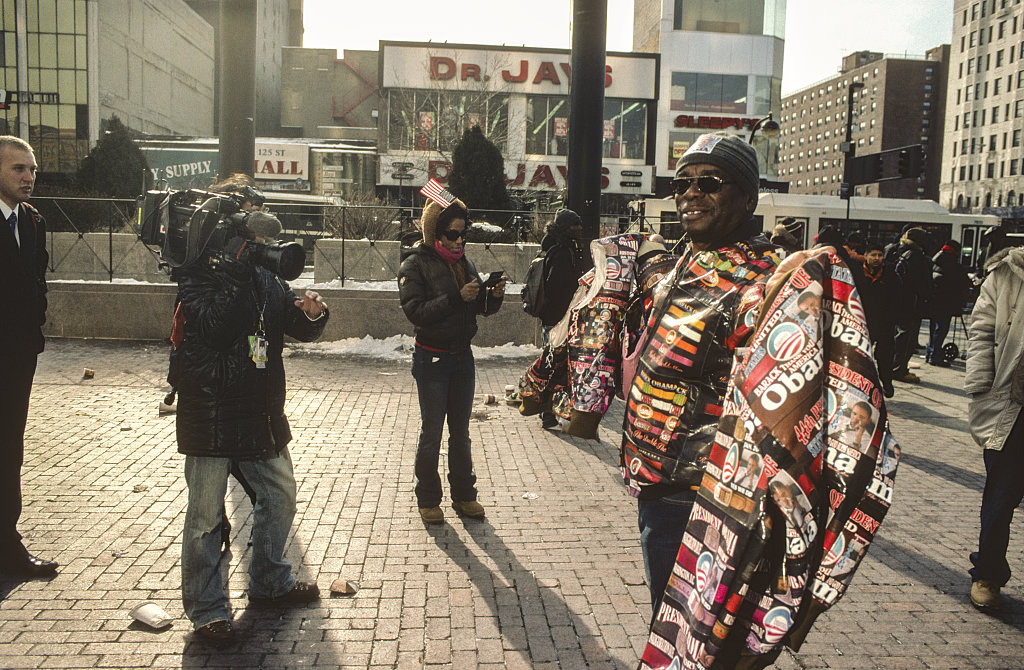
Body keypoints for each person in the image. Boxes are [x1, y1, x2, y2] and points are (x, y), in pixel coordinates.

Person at [619, 133, 779, 615]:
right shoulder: (692, 259)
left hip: (704, 493)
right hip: (657, 476)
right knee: (674, 624)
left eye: (709, 182)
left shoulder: (767, 280)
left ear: (748, 197)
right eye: (681, 183)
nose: (691, 193)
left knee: (692, 632)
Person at [169, 200, 328, 641]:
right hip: (211, 410)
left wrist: (314, 315)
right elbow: (216, 329)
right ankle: (207, 610)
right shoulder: (197, 273)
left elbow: (291, 323)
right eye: (256, 240)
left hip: (259, 409)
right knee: (205, 519)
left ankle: (269, 582)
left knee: (280, 495)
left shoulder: (266, 275)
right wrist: (238, 272)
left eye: (267, 241)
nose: (265, 247)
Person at [398, 198, 505, 525]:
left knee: (461, 432)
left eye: (463, 234)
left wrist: (491, 297)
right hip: (432, 358)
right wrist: (456, 297)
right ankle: (428, 498)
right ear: (435, 232)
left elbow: (477, 309)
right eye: (452, 233)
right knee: (432, 432)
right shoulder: (414, 264)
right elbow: (414, 312)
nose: (459, 240)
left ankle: (464, 496)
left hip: (462, 357)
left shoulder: (464, 262)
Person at [0, 136, 58, 579]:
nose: (28, 177)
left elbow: (35, 284)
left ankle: (8, 546)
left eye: (32, 170)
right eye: (18, 169)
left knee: (9, 450)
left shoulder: (34, 221)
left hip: (18, 356)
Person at [964, 244, 1024, 611]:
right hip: (1012, 404)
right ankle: (987, 574)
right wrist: (979, 386)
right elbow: (983, 330)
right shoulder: (1008, 272)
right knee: (1001, 497)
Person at [536, 208, 588, 429]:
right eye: (575, 225)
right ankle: (547, 412)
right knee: (553, 366)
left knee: (557, 366)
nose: (579, 228)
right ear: (565, 228)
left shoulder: (567, 249)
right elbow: (557, 288)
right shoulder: (560, 252)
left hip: (559, 319)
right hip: (557, 320)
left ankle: (553, 410)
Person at [891, 227, 933, 384]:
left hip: (904, 304)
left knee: (902, 336)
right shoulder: (916, 257)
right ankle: (899, 370)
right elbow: (919, 284)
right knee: (907, 338)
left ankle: (897, 368)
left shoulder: (904, 253)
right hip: (912, 305)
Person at [860, 241, 900, 398]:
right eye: (873, 255)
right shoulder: (859, 274)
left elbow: (898, 298)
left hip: (885, 323)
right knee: (864, 356)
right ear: (866, 256)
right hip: (865, 322)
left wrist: (894, 317)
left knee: (885, 357)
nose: (877, 258)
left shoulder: (891, 275)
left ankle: (887, 383)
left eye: (880, 255)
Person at [927, 240, 972, 367]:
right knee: (941, 329)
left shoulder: (935, 262)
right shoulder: (954, 266)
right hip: (946, 303)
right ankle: (935, 357)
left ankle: (930, 354)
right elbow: (964, 283)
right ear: (955, 251)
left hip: (934, 301)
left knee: (933, 329)